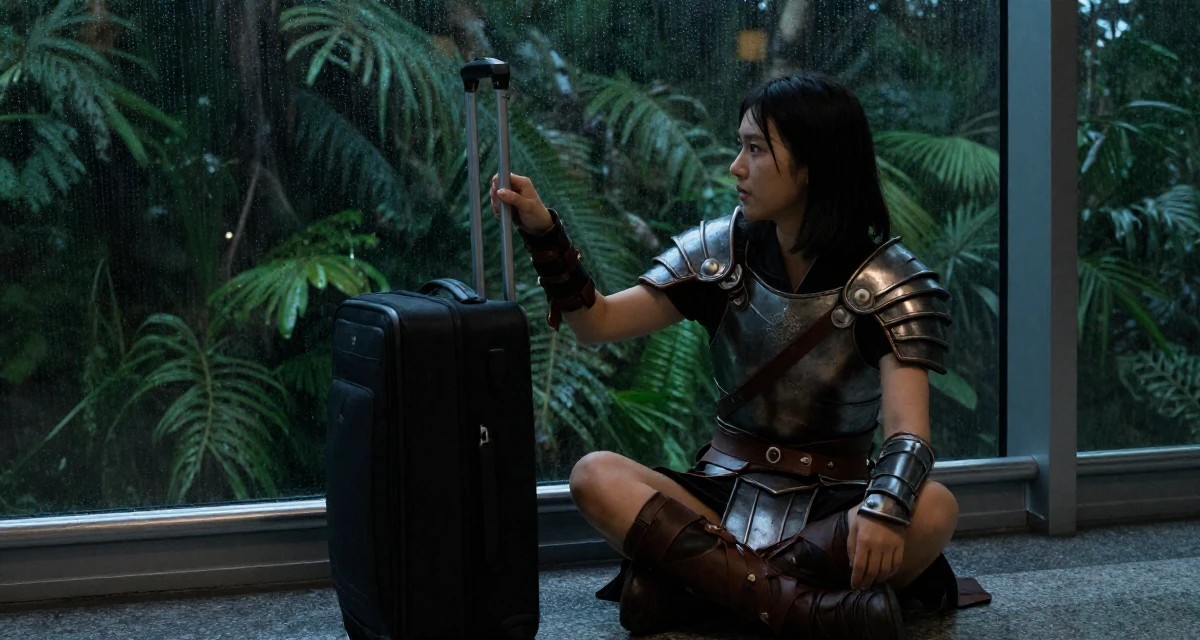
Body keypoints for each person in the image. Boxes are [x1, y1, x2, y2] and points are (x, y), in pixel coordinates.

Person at [488, 73, 991, 639]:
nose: (736, 166)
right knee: (593, 475)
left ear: (811, 164)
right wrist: (542, 231)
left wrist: (882, 511)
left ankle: (692, 593)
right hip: (719, 501)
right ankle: (812, 613)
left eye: (755, 149)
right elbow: (596, 323)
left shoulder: (891, 283)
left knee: (933, 509)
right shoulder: (720, 254)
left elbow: (909, 436)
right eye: (740, 145)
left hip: (830, 512)